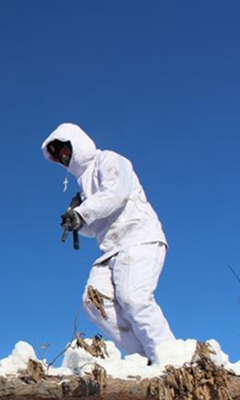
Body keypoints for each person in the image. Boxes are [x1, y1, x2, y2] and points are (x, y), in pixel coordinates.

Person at [41, 122, 174, 364]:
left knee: (134, 298)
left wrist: (82, 212)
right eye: (58, 155)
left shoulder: (109, 160)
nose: (63, 157)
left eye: (64, 149)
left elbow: (115, 194)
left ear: (75, 143)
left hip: (138, 238)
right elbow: (97, 226)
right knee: (94, 301)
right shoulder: (83, 185)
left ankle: (170, 359)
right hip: (112, 250)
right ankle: (143, 359)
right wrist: (78, 223)